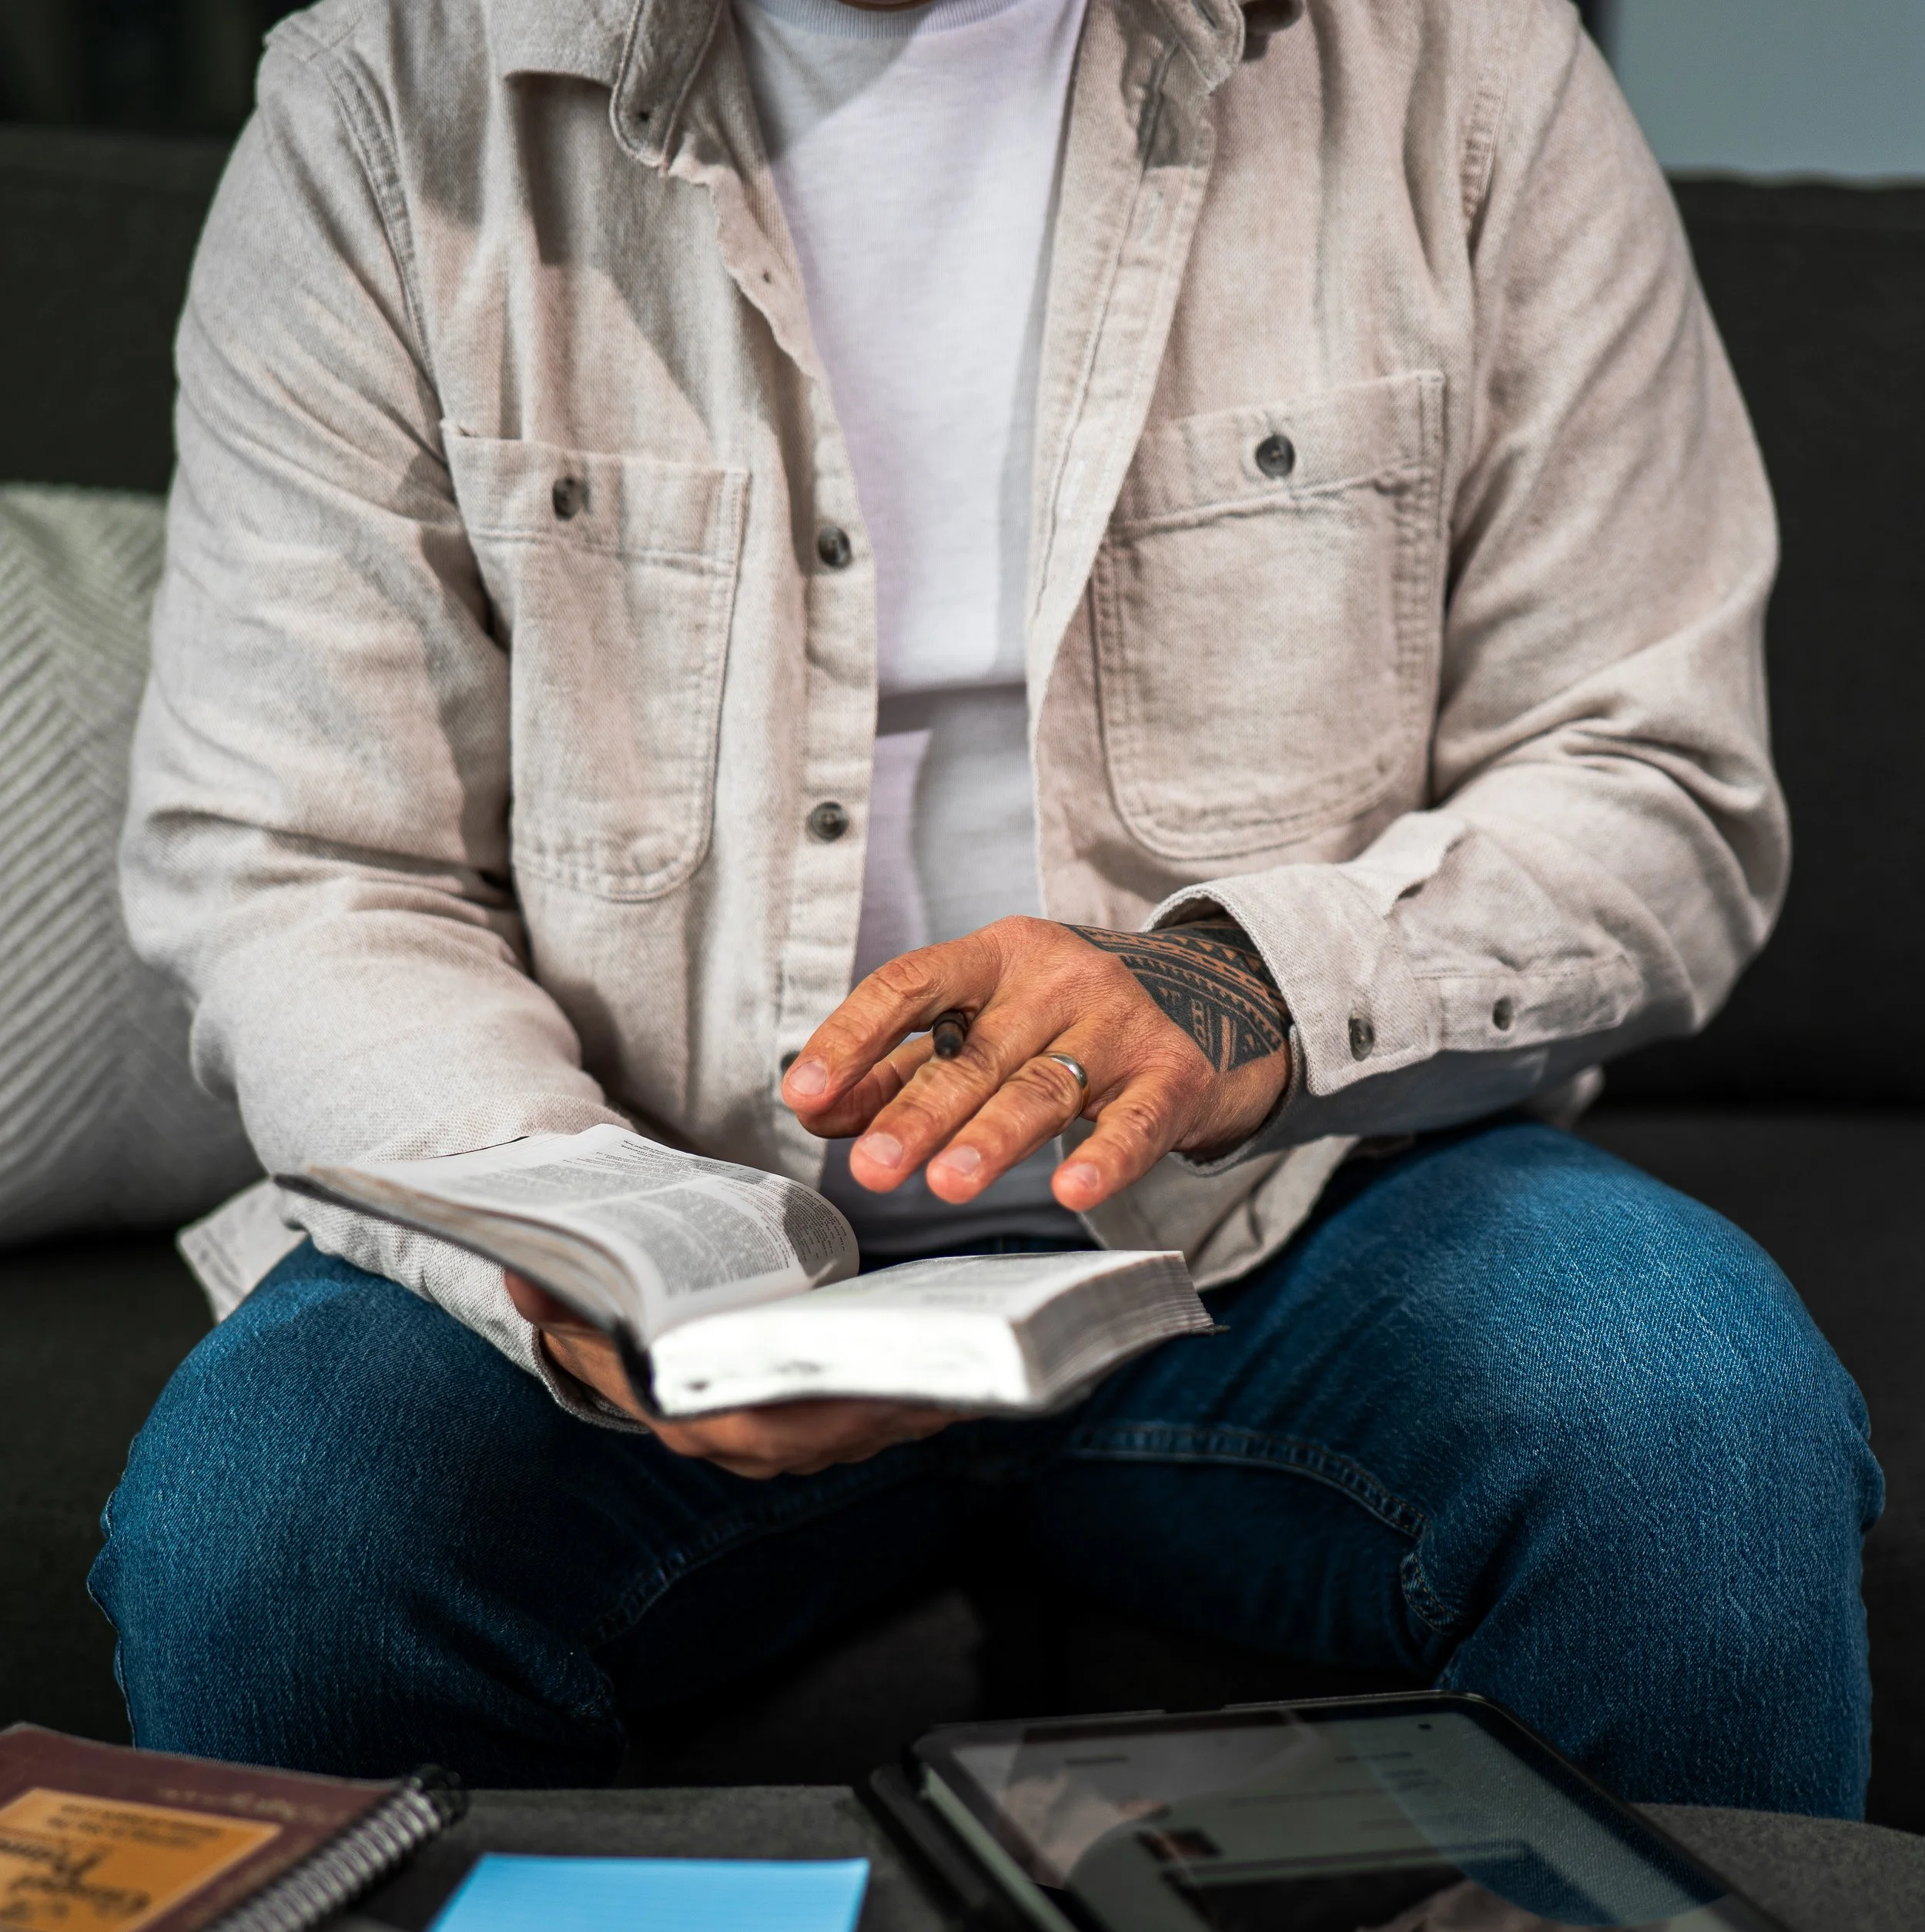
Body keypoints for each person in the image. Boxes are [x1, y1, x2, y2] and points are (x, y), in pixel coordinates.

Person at [94, 0, 1880, 1809]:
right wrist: (586, 1247)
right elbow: (302, 857)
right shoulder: (392, 104)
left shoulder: (1464, 74)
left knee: (1688, 1422)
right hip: (652, 1207)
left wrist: (1224, 995)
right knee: (272, 1534)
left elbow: (1653, 782)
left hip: (1286, 1220)